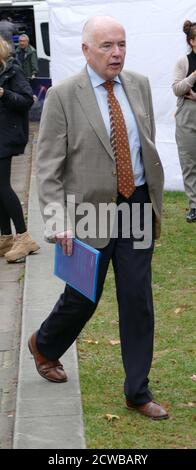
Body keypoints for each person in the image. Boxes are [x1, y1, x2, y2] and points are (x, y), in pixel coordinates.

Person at [28, 16, 169, 420]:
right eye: (106, 45)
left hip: (137, 205)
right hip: (87, 210)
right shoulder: (63, 96)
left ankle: (137, 392)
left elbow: (144, 144)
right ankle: (45, 344)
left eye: (121, 44)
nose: (117, 53)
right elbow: (48, 167)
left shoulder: (138, 84)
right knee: (82, 297)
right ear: (86, 50)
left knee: (137, 297)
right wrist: (58, 220)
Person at [0, 36, 40, 262]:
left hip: (6, 135)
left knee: (3, 186)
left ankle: (24, 237)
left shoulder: (12, 71)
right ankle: (6, 236)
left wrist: (4, 94)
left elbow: (27, 100)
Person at [172, 20, 196, 223]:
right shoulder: (183, 62)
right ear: (192, 41)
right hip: (187, 117)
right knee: (189, 163)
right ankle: (194, 206)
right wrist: (193, 76)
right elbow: (177, 89)